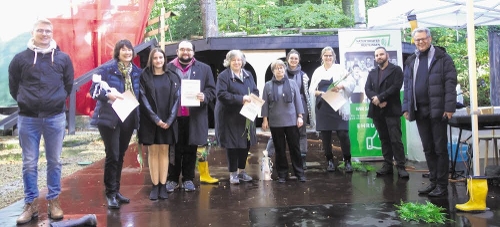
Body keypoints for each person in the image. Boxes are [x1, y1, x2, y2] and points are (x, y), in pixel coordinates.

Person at [9, 18, 74, 224]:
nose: (44, 34)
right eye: (40, 31)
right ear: (33, 32)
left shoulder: (63, 58)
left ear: (52, 33)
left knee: (54, 161)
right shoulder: (20, 59)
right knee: (29, 163)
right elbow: (14, 87)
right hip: (28, 119)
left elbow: (68, 85)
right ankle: (31, 204)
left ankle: (53, 201)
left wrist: (55, 101)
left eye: (48, 31)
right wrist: (25, 101)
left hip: (55, 118)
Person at [402, 27, 457, 197]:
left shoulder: (443, 58)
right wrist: (406, 107)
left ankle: (442, 185)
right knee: (428, 148)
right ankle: (433, 182)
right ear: (414, 41)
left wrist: (449, 108)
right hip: (420, 111)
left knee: (440, 148)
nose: (421, 42)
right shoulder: (411, 60)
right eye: (417, 40)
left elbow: (450, 83)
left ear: (430, 38)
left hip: (439, 111)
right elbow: (408, 85)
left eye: (423, 38)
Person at [89, 39, 142, 209]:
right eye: (123, 50)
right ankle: (110, 193)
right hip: (109, 117)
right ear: (118, 52)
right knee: (112, 154)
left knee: (120, 154)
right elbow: (93, 91)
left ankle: (116, 190)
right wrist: (108, 96)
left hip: (128, 115)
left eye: (129, 50)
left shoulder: (137, 72)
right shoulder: (106, 69)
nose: (127, 53)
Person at [165, 40, 216, 192]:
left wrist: (204, 96)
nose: (185, 52)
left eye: (188, 50)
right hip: (174, 117)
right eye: (182, 49)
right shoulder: (167, 68)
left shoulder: (204, 69)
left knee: (191, 148)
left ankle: (188, 178)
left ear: (193, 52)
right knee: (173, 149)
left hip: (194, 116)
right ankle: (172, 179)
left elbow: (212, 90)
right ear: (177, 51)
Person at [138, 48, 181, 200]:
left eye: (160, 58)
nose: (158, 61)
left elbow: (177, 99)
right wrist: (155, 119)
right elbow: (142, 98)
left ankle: (163, 185)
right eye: (155, 58)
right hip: (150, 121)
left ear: (164, 59)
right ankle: (155, 186)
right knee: (153, 152)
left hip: (168, 121)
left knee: (164, 151)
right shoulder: (144, 76)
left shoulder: (172, 76)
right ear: (151, 59)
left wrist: (169, 120)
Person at [215, 50, 259, 184]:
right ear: (229, 62)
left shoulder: (248, 74)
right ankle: (233, 173)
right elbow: (221, 94)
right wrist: (241, 99)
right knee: (232, 145)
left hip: (246, 115)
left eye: (239, 60)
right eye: (233, 60)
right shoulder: (223, 76)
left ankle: (242, 171)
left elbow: (255, 90)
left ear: (242, 62)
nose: (236, 62)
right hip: (229, 116)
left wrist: (253, 97)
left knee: (245, 144)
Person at [309, 46, 355, 173]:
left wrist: (342, 85)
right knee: (326, 136)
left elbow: (351, 83)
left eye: (330, 55)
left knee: (343, 134)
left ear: (334, 57)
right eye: (326, 55)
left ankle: (347, 161)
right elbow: (311, 89)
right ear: (322, 57)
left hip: (338, 106)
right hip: (323, 107)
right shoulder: (317, 71)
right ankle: (329, 161)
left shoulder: (340, 69)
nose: (328, 58)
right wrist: (318, 92)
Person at [365, 46, 408, 178]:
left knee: (395, 139)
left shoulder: (396, 70)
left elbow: (396, 87)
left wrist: (381, 97)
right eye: (377, 55)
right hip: (377, 111)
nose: (379, 57)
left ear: (387, 55)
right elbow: (367, 89)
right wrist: (375, 99)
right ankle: (387, 165)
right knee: (384, 139)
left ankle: (401, 167)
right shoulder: (372, 72)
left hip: (391, 110)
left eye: (381, 54)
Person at [264, 49, 311, 170]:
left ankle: (302, 158)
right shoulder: (280, 73)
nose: (294, 60)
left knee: (301, 133)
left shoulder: (303, 75)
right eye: (291, 58)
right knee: (276, 136)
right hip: (280, 109)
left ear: (299, 60)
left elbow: (306, 92)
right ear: (287, 60)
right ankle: (267, 157)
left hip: (299, 104)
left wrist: (302, 113)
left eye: (296, 58)